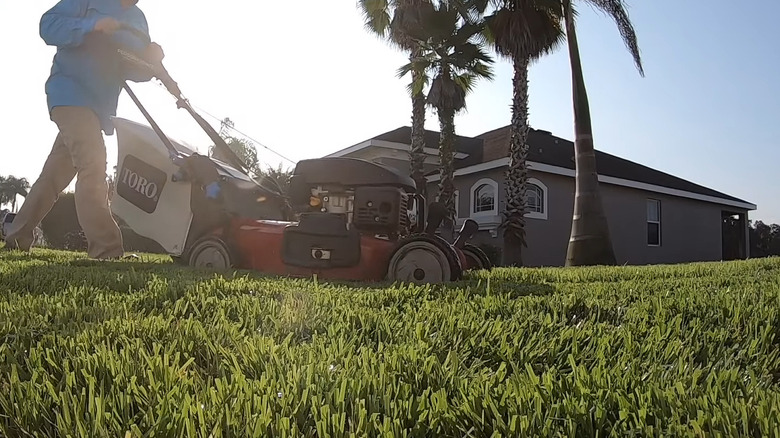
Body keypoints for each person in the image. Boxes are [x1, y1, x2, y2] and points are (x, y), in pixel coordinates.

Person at [3, 0, 165, 259]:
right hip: (68, 92)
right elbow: (48, 25)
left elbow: (133, 68)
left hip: (97, 108)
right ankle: (106, 250)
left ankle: (17, 237)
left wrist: (151, 59)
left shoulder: (137, 18)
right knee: (93, 163)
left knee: (53, 176)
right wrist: (92, 26)